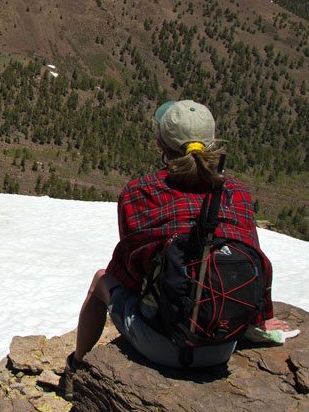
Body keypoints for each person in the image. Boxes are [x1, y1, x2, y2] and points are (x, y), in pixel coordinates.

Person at [70, 100, 295, 375]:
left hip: (162, 344)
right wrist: (260, 318)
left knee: (101, 279)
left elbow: (130, 270)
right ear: (211, 142)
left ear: (159, 144)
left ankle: (76, 366)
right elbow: (256, 260)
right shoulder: (235, 192)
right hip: (223, 343)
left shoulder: (140, 192)